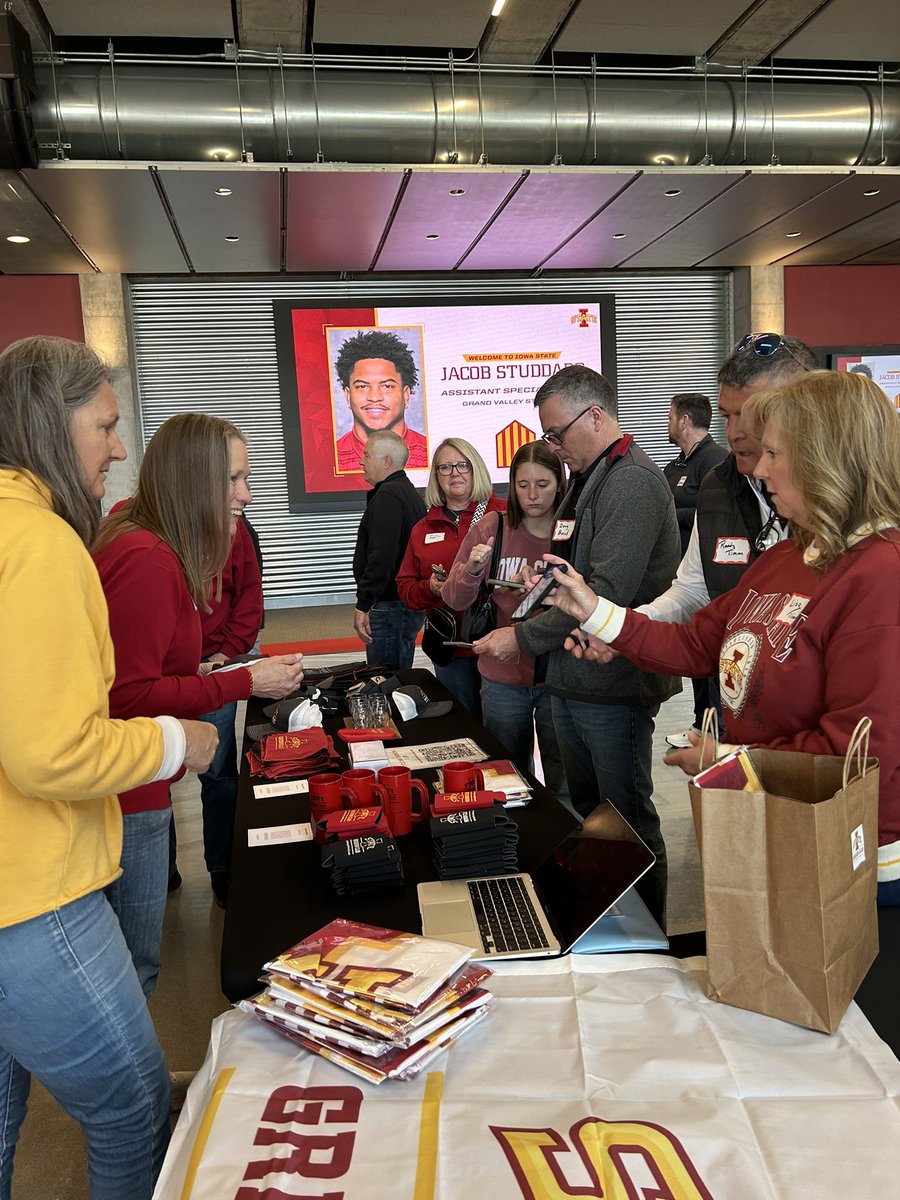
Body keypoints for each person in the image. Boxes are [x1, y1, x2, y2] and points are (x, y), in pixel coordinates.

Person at [539, 370, 900, 908]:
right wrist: (594, 612)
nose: (760, 468)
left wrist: (729, 760)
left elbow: (858, 753)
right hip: (777, 827)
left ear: (825, 460)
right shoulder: (786, 556)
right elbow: (698, 642)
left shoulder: (879, 573)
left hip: (854, 862)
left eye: (774, 454)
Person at [0, 335, 218, 1197]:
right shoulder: (40, 542)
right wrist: (175, 741)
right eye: (104, 426)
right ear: (48, 425)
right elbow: (53, 750)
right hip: (33, 895)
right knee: (132, 1109)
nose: (118, 449)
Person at [92, 414, 304, 997]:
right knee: (134, 970)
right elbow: (127, 695)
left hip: (131, 780)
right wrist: (243, 681)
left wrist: (215, 670)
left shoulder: (148, 542)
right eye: (234, 479)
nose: (246, 495)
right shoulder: (149, 558)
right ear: (193, 479)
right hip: (128, 791)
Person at [472, 366, 680, 926]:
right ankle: (610, 926)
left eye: (557, 434)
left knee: (627, 821)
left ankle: (647, 939)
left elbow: (602, 594)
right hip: (571, 677)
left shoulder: (631, 481)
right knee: (593, 816)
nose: (554, 447)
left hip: (612, 684)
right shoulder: (591, 478)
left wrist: (520, 636)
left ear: (594, 416)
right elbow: (569, 575)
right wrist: (536, 589)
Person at [646, 334, 818, 746]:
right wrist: (621, 624)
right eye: (727, 415)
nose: (735, 432)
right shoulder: (718, 487)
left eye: (753, 415)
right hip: (743, 723)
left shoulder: (866, 532)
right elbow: (695, 594)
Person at [442, 440, 568, 801]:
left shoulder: (571, 532)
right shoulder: (492, 527)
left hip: (559, 675)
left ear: (559, 483)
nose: (532, 496)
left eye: (542, 485)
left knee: (564, 781)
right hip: (503, 678)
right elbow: (453, 598)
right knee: (507, 778)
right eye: (522, 485)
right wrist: (473, 569)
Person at [397, 437, 503, 717]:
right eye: (445, 467)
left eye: (462, 465)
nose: (454, 473)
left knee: (504, 730)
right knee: (464, 725)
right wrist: (430, 588)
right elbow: (405, 588)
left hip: (499, 643)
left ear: (476, 468)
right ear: (436, 476)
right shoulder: (423, 528)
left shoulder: (504, 514)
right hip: (451, 649)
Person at [190, 512, 265, 908]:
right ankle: (161, 869)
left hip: (213, 665)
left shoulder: (234, 528)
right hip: (157, 672)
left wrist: (228, 653)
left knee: (218, 774)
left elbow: (249, 593)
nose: (244, 495)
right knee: (149, 777)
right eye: (234, 482)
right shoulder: (131, 523)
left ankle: (222, 868)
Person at [662, 392, 728, 739]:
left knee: (712, 658)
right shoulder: (676, 465)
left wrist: (669, 516)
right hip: (681, 574)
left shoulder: (716, 460)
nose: (667, 423)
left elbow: (711, 512)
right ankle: (701, 724)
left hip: (709, 577)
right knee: (696, 655)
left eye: (670, 417)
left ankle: (714, 728)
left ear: (684, 420)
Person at [352, 429, 427, 669]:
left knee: (387, 680)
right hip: (400, 606)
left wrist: (363, 603)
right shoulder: (407, 492)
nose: (361, 461)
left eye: (366, 455)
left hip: (390, 607)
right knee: (399, 674)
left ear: (386, 461)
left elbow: (381, 557)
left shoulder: (388, 496)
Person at [333, 329, 428, 472]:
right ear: (348, 396)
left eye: (387, 386)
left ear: (406, 395)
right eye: (362, 386)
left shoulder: (430, 454)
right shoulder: (331, 458)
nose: (375, 397)